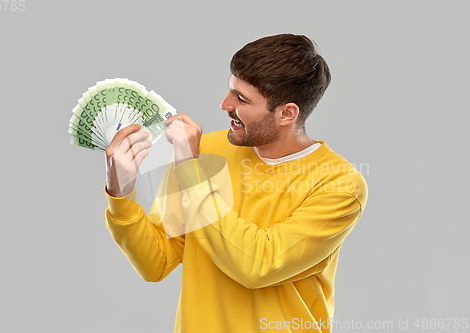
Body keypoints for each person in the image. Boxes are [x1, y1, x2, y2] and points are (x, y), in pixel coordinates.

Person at [103, 33, 368, 333]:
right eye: (230, 90)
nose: (224, 104)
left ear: (287, 113)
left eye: (241, 99)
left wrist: (190, 173)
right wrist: (120, 193)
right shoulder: (204, 151)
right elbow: (157, 262)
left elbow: (258, 264)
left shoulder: (340, 185)